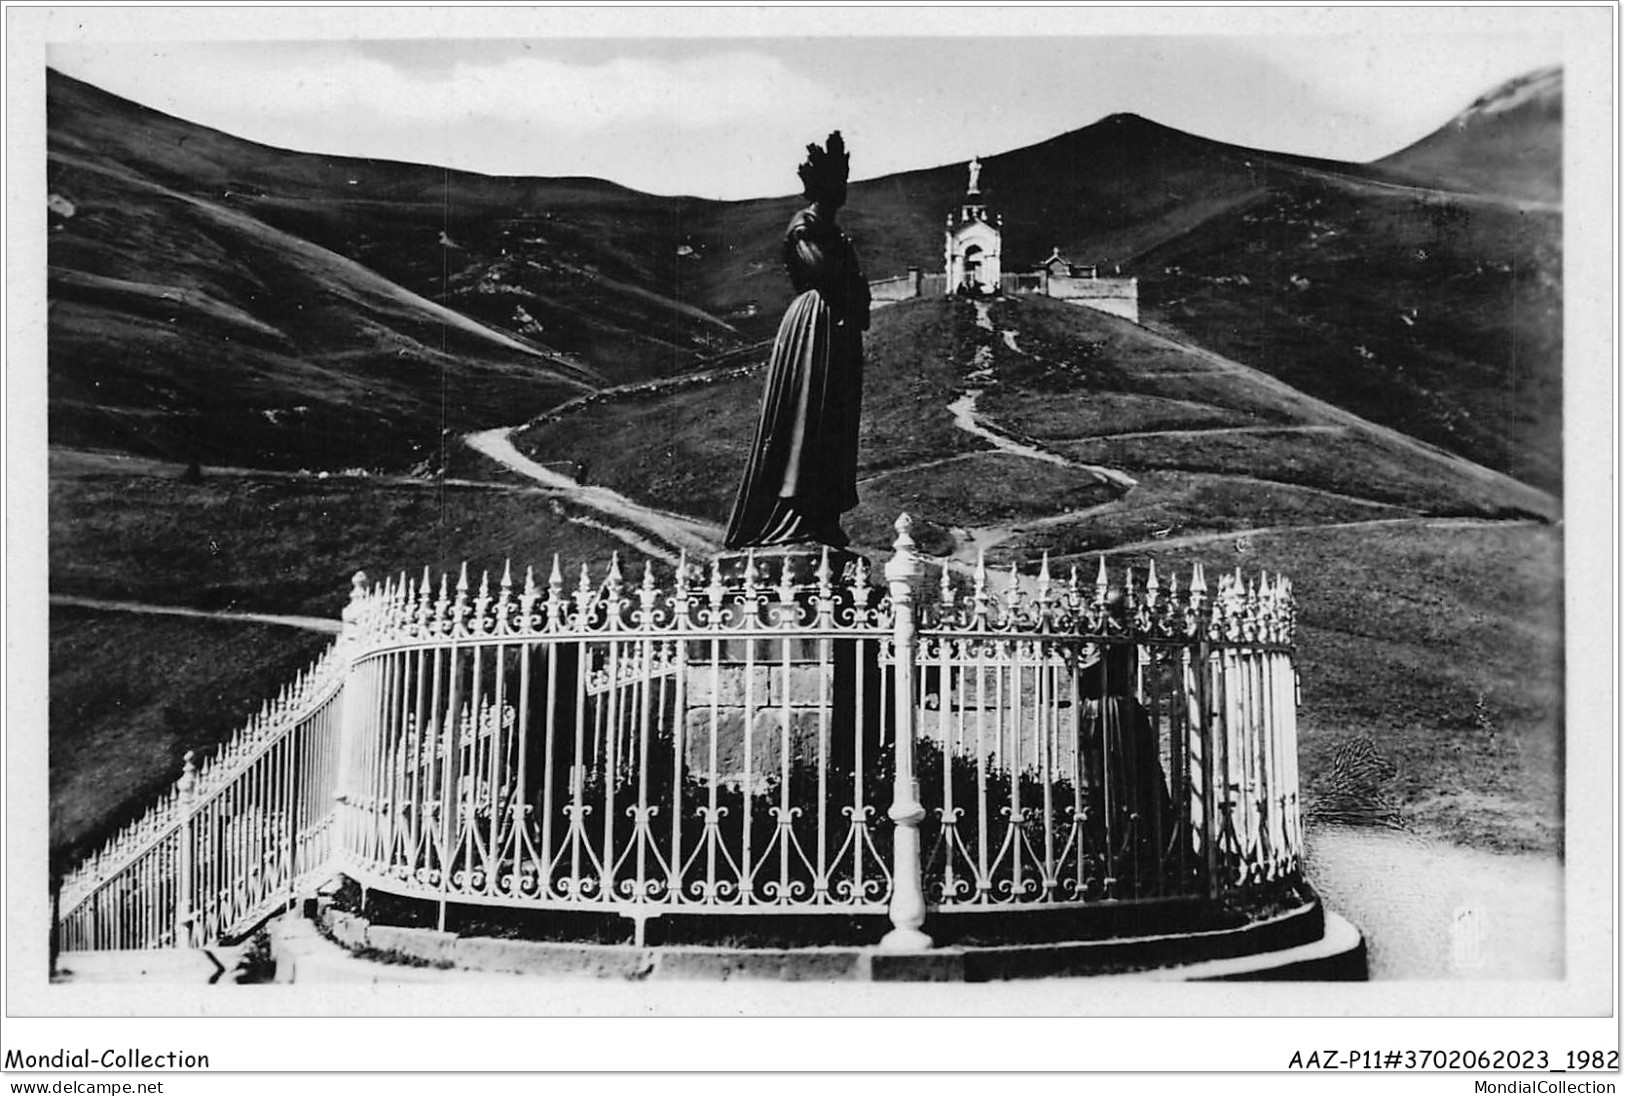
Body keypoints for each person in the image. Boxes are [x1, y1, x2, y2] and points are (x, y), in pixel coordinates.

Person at [723, 132, 871, 550]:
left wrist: (852, 288)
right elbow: (832, 279)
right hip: (814, 327)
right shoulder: (804, 228)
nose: (841, 190)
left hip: (837, 333)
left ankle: (821, 515)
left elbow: (859, 296)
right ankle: (794, 514)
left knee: (832, 424)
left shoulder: (835, 234)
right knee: (806, 416)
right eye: (836, 181)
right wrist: (851, 286)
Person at [1078, 588, 1180, 891]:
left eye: (1105, 609)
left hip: (1108, 712)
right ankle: (1123, 844)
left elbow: (1089, 676)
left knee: (1117, 780)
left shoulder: (1110, 637)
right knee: (1112, 780)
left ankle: (1124, 847)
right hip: (1115, 712)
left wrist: (1074, 653)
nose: (1101, 613)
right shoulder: (1120, 634)